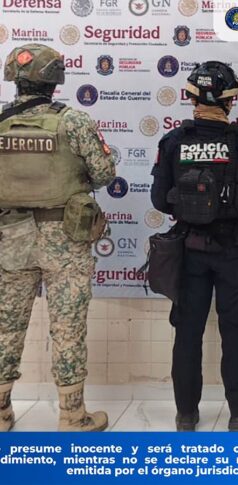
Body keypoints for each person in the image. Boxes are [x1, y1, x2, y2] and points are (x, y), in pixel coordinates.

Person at [150, 61, 238, 431]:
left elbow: (159, 200)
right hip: (234, 252)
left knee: (187, 332)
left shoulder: (172, 143)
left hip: (189, 251)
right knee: (235, 331)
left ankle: (186, 414)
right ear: (231, 100)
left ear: (192, 98)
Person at [0, 43, 115, 431]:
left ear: (15, 79)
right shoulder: (74, 122)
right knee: (68, 328)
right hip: (65, 237)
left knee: (5, 326)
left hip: (10, 236)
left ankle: (1, 413)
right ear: (55, 81)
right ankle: (72, 415)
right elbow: (104, 174)